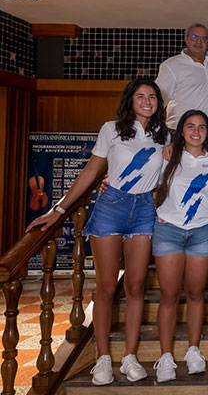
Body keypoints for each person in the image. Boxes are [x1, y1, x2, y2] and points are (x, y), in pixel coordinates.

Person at [26, 78, 170, 385]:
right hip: (111, 207)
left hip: (144, 209)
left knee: (135, 286)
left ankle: (129, 357)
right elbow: (91, 171)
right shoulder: (111, 129)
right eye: (140, 96)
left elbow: (173, 172)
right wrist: (59, 210)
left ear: (159, 102)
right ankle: (103, 358)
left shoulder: (164, 135)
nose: (147, 101)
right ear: (130, 100)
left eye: (152, 96)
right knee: (106, 286)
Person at [151, 110, 208, 382]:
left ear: (207, 133)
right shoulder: (166, 157)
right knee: (169, 295)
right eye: (190, 125)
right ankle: (165, 355)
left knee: (196, 293)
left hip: (201, 232)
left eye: (202, 127)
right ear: (181, 130)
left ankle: (193, 350)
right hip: (169, 230)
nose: (196, 131)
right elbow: (146, 184)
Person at [156, 23, 208, 133]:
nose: (199, 41)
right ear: (186, 39)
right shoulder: (171, 65)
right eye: (194, 37)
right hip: (181, 131)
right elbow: (159, 100)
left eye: (204, 38)